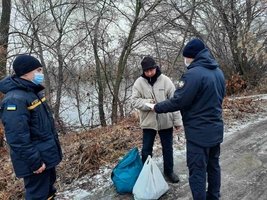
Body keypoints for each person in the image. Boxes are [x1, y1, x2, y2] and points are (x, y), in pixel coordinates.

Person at [153, 38, 225, 199]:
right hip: (216, 130)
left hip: (198, 134)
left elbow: (179, 100)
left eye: (186, 57)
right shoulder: (218, 72)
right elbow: (220, 98)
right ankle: (214, 197)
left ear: (191, 56)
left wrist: (157, 107)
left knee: (197, 172)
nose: (185, 60)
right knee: (214, 167)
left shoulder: (193, 74)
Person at [0, 55, 63, 200]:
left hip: (45, 156)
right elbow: (17, 137)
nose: (41, 74)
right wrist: (35, 162)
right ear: (26, 72)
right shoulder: (15, 99)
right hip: (35, 162)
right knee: (38, 195)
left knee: (48, 191)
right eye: (38, 70)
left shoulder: (32, 93)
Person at [131, 56, 183, 183]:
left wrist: (177, 121)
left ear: (155, 67)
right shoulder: (138, 83)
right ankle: (146, 173)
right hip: (148, 122)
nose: (149, 73)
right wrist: (148, 103)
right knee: (146, 149)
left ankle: (169, 171)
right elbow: (134, 101)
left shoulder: (166, 81)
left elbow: (175, 102)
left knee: (168, 148)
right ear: (143, 71)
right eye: (146, 71)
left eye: (151, 70)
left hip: (166, 121)